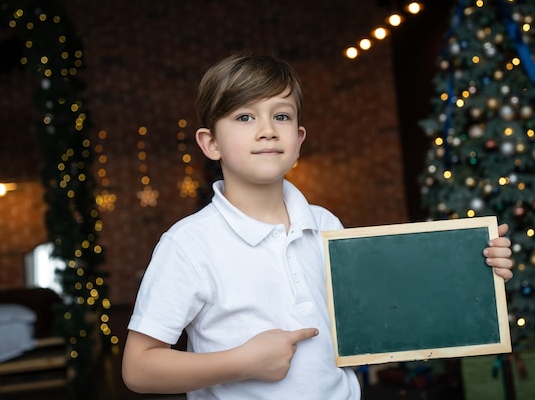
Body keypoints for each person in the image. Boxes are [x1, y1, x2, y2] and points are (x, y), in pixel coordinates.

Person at [121, 51, 514, 400]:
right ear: (210, 144)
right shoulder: (189, 244)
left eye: (281, 115)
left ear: (298, 138)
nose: (267, 129)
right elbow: (139, 369)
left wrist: (475, 269)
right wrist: (242, 362)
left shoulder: (326, 224)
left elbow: (385, 314)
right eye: (244, 116)